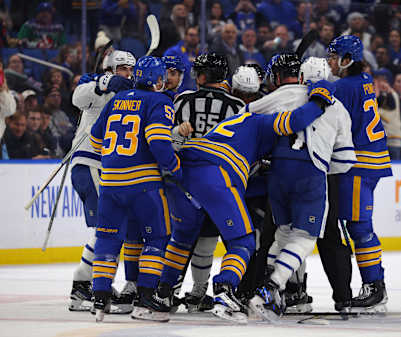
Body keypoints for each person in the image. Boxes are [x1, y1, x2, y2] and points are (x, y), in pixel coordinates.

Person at [156, 81, 330, 323]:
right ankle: (225, 291)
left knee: (182, 239)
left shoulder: (232, 122)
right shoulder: (259, 120)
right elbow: (295, 121)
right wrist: (320, 100)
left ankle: (162, 293)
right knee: (243, 241)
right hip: (216, 173)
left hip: (184, 172)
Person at [249, 57, 356, 321]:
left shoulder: (282, 93)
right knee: (306, 238)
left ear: (300, 75)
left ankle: (263, 287)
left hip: (277, 172)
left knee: (283, 232)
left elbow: (246, 114)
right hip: (311, 173)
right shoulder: (337, 107)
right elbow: (343, 161)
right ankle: (272, 286)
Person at [89, 56, 180, 322]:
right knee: (157, 238)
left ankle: (100, 297)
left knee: (107, 239)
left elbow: (96, 141)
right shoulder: (160, 101)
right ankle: (145, 299)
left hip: (109, 183)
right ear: (157, 80)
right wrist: (175, 168)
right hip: (143, 185)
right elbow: (158, 141)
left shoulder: (117, 100)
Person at [170, 53, 245, 312]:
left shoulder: (182, 100)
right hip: (219, 181)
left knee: (179, 238)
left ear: (201, 76)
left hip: (184, 179)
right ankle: (200, 292)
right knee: (208, 240)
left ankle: (168, 289)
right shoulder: (236, 105)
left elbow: (171, 141)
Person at [326, 35, 392, 310]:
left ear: (346, 59)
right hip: (373, 160)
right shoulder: (365, 80)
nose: (330, 62)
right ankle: (375, 285)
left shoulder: (342, 86)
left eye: (334, 56)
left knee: (358, 226)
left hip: (357, 164)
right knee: (357, 225)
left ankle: (375, 287)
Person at [68, 50, 136, 313]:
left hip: (105, 168)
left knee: (110, 228)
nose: (127, 74)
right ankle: (83, 284)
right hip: (91, 163)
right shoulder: (95, 85)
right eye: (122, 68)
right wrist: (104, 83)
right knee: (109, 229)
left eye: (130, 69)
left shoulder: (130, 94)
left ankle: (89, 283)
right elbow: (78, 97)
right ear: (109, 68)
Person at [374, 68, 401, 160]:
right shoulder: (382, 95)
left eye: (379, 79)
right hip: (382, 140)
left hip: (393, 139)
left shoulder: (392, 95)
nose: (377, 82)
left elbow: (388, 117)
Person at [163, 26, 200, 93]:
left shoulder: (200, 53)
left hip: (194, 93)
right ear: (185, 36)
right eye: (191, 35)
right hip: (176, 93)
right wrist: (190, 62)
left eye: (196, 35)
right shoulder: (173, 51)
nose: (193, 38)